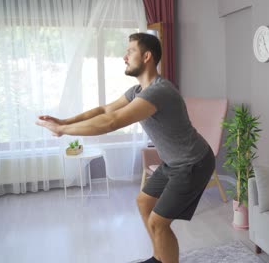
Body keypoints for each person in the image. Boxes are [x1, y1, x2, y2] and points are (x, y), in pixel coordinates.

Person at [36, 33, 215, 263]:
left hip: (193, 163)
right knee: (144, 202)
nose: (124, 56)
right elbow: (104, 111)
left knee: (158, 223)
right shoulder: (137, 92)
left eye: (130, 51)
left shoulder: (160, 91)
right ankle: (159, 258)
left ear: (147, 56)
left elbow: (112, 122)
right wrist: (64, 122)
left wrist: (63, 131)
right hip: (173, 162)